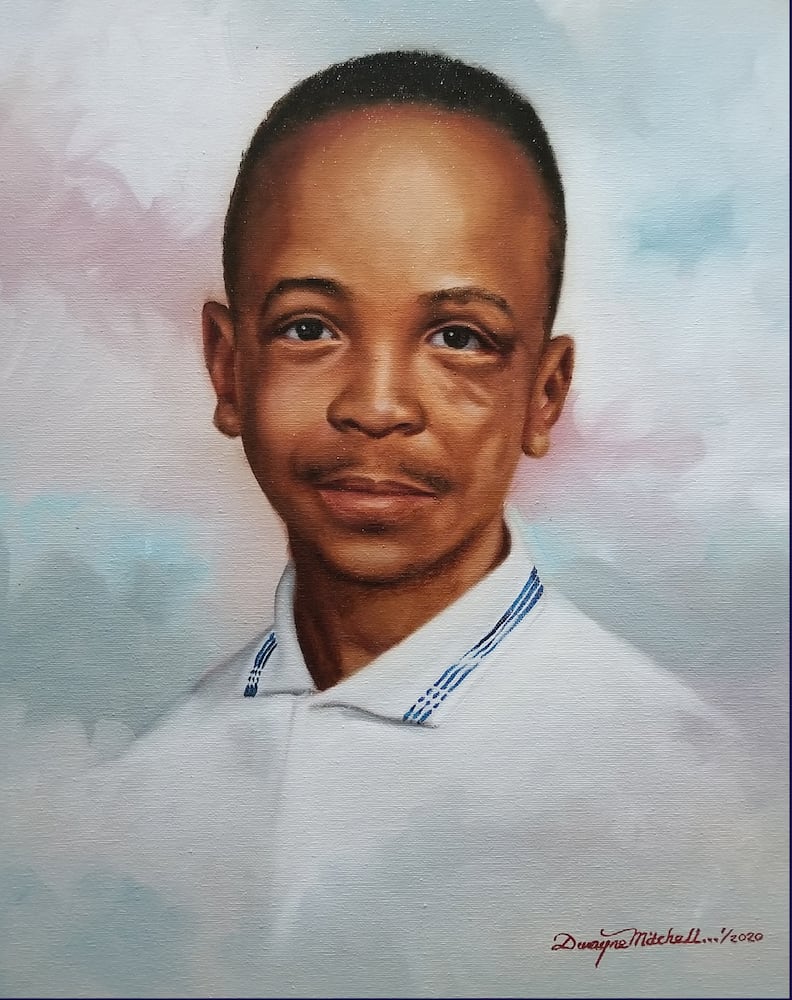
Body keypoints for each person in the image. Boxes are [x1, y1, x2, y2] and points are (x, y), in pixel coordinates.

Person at [72, 51, 773, 997]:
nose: (376, 405)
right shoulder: (140, 791)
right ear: (228, 368)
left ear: (544, 395)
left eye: (459, 339)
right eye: (310, 327)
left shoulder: (685, 802)